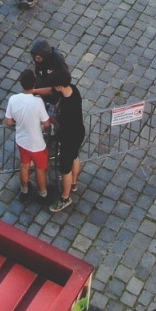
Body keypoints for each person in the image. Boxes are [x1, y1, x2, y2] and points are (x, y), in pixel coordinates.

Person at [5, 69, 51, 201]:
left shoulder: (13, 99)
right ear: (35, 83)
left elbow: (8, 121)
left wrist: (17, 120)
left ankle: (24, 190)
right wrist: (47, 131)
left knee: (24, 165)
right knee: (40, 169)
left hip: (22, 141)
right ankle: (43, 193)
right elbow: (46, 123)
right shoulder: (37, 102)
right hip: (37, 144)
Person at [49, 78, 85, 213]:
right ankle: (73, 183)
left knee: (65, 169)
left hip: (68, 138)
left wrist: (54, 120)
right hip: (78, 133)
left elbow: (61, 125)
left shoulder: (67, 109)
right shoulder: (73, 89)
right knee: (75, 157)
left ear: (59, 86)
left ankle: (65, 197)